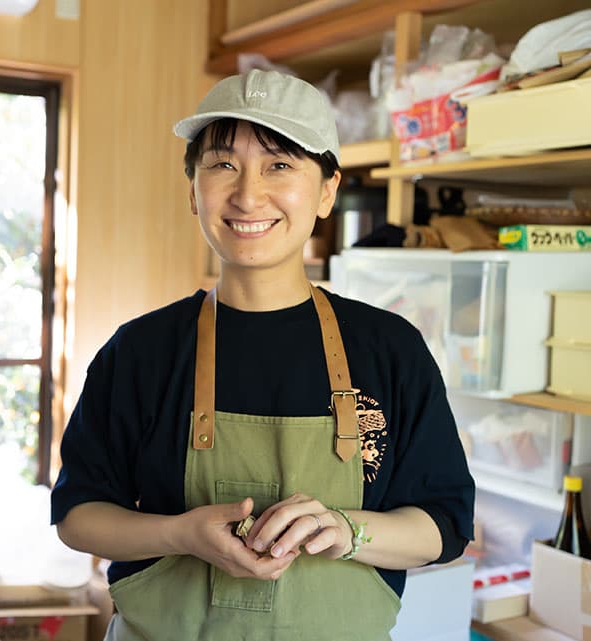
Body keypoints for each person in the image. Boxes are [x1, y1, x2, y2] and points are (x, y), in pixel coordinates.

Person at [50, 69, 475, 641]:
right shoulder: (140, 351)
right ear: (192, 191)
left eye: (279, 165)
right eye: (222, 165)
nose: (248, 195)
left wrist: (347, 529)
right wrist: (180, 534)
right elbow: (79, 516)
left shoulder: (389, 348)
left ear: (327, 191)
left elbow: (443, 525)